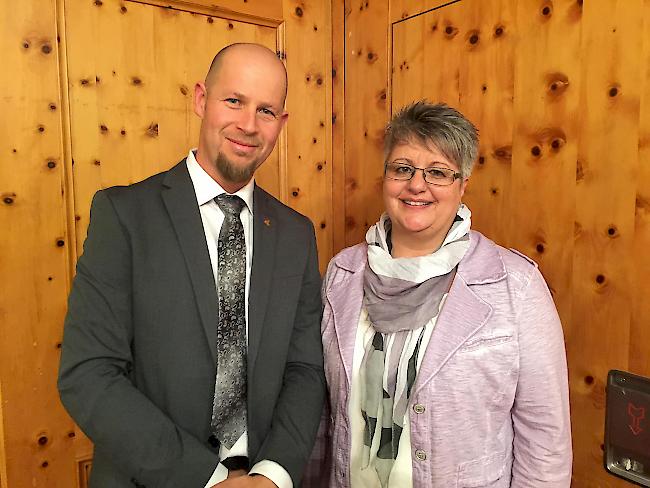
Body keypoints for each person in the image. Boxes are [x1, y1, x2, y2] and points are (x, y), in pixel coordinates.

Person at [58, 43, 325, 488]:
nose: (248, 124)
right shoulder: (124, 216)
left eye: (266, 111)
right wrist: (206, 479)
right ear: (202, 99)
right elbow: (89, 373)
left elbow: (305, 370)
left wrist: (273, 474)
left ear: (281, 124)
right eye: (234, 101)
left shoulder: (296, 234)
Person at [310, 101, 572, 487]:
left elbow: (545, 441)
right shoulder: (342, 275)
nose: (417, 185)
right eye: (403, 169)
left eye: (438, 172)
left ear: (463, 184)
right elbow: (323, 417)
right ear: (385, 176)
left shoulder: (515, 286)